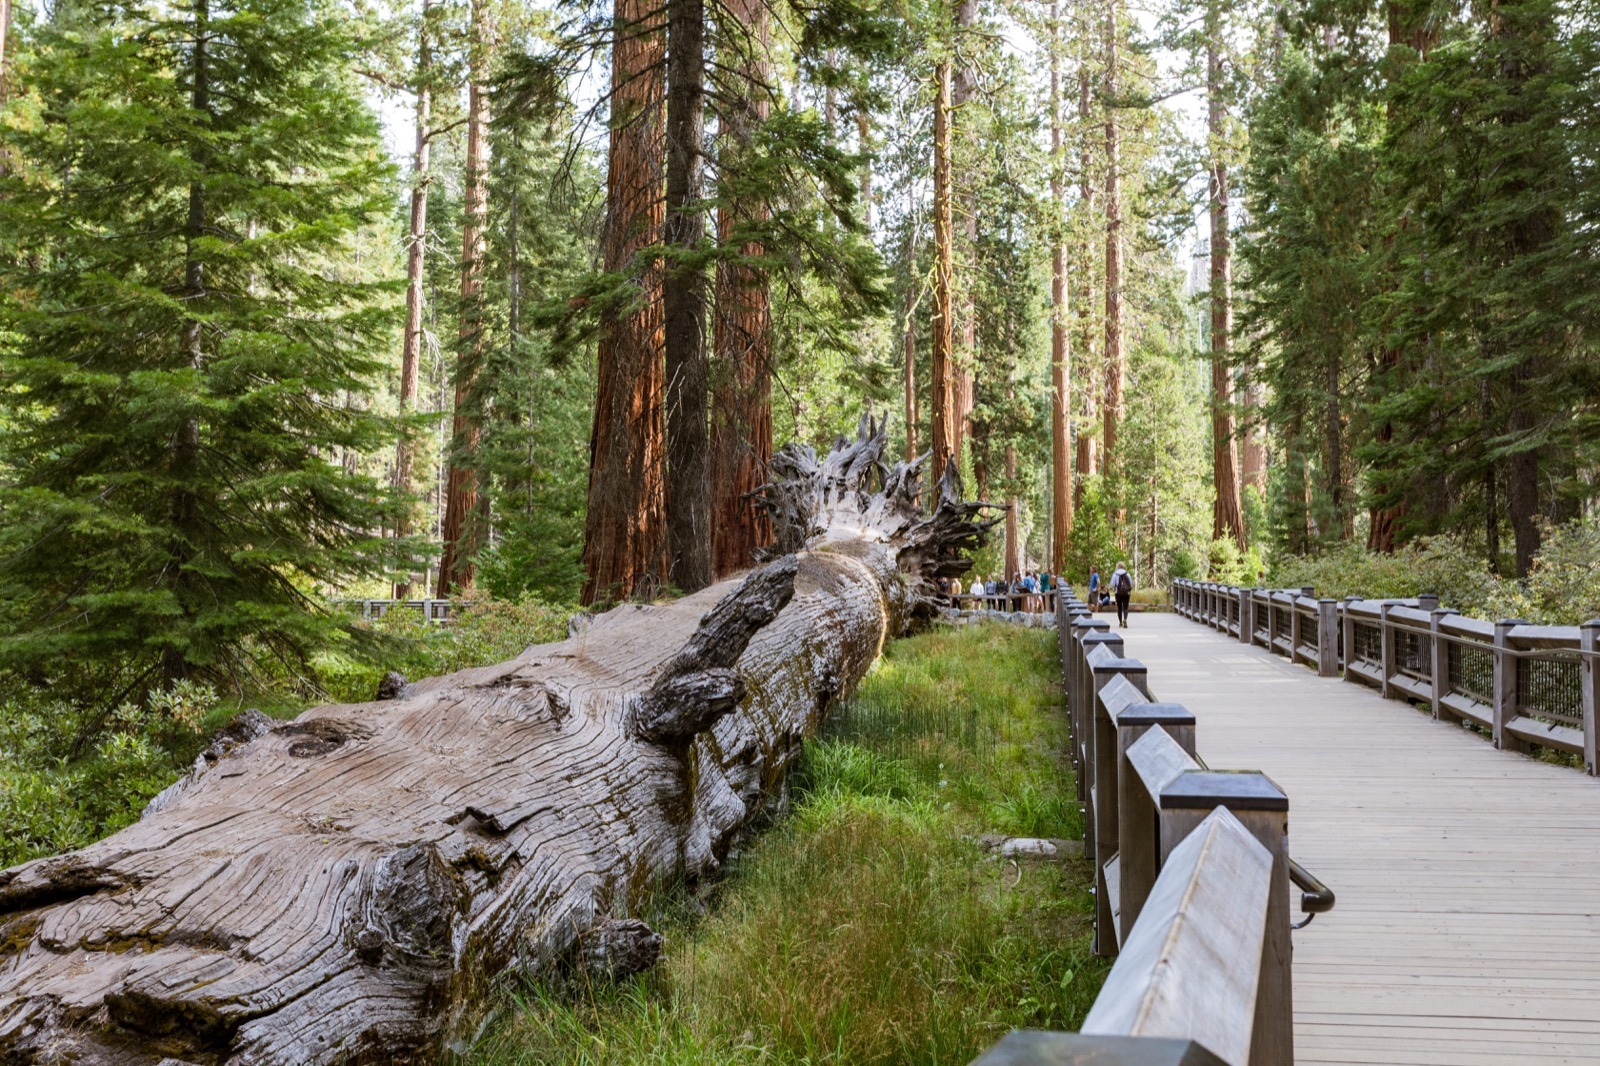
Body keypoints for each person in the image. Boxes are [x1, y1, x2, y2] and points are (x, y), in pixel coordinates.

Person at [1112, 561, 1134, 627]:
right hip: (1126, 593)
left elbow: (1112, 584)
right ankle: (1125, 619)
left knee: (1119, 608)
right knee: (1126, 607)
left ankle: (1120, 622)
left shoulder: (1115, 574)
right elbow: (1131, 583)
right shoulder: (1127, 574)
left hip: (1118, 593)